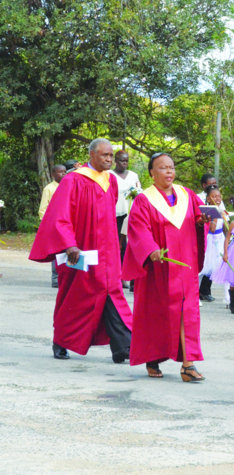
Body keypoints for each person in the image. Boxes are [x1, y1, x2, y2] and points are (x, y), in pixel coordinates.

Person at [29, 139, 132, 362]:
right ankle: (61, 341)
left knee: (112, 293)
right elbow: (59, 215)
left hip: (108, 250)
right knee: (75, 295)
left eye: (111, 156)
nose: (109, 159)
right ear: (91, 155)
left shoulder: (110, 181)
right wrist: (69, 244)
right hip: (82, 249)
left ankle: (122, 346)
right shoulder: (74, 180)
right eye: (104, 155)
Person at [122, 153, 209, 381]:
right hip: (159, 266)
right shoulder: (144, 199)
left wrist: (203, 221)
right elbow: (138, 228)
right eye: (162, 168)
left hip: (185, 265)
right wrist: (150, 249)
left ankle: (188, 364)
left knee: (187, 312)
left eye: (171, 167)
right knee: (157, 314)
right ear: (152, 172)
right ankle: (153, 357)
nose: (169, 172)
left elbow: (199, 217)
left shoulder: (186, 195)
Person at [111, 150, 142, 290]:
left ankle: (127, 276)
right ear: (115, 161)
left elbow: (139, 191)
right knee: (117, 245)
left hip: (130, 214)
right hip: (115, 214)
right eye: (122, 161)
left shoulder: (133, 175)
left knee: (130, 245)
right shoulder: (109, 175)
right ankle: (117, 275)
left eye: (126, 161)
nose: (124, 163)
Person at [198, 173, 226, 302]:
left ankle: (206, 290)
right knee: (205, 263)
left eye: (215, 184)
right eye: (211, 184)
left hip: (218, 236)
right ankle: (197, 291)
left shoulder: (219, 200)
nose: (213, 186)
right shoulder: (200, 198)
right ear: (204, 185)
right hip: (207, 235)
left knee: (215, 263)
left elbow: (224, 218)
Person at [38, 164, 66, 288]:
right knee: (56, 251)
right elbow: (42, 209)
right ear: (53, 174)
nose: (63, 174)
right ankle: (55, 278)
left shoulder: (68, 186)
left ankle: (66, 277)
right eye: (60, 172)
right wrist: (49, 224)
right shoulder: (49, 189)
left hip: (66, 224)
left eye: (65, 172)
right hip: (54, 225)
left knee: (67, 251)